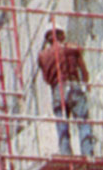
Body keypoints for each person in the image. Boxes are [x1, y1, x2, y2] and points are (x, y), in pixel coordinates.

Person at [37, 23, 93, 157]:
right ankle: (88, 154)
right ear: (61, 35)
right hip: (74, 86)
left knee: (62, 127)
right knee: (83, 122)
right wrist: (85, 85)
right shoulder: (72, 49)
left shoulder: (43, 56)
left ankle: (67, 156)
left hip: (57, 90)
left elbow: (46, 79)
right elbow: (84, 72)